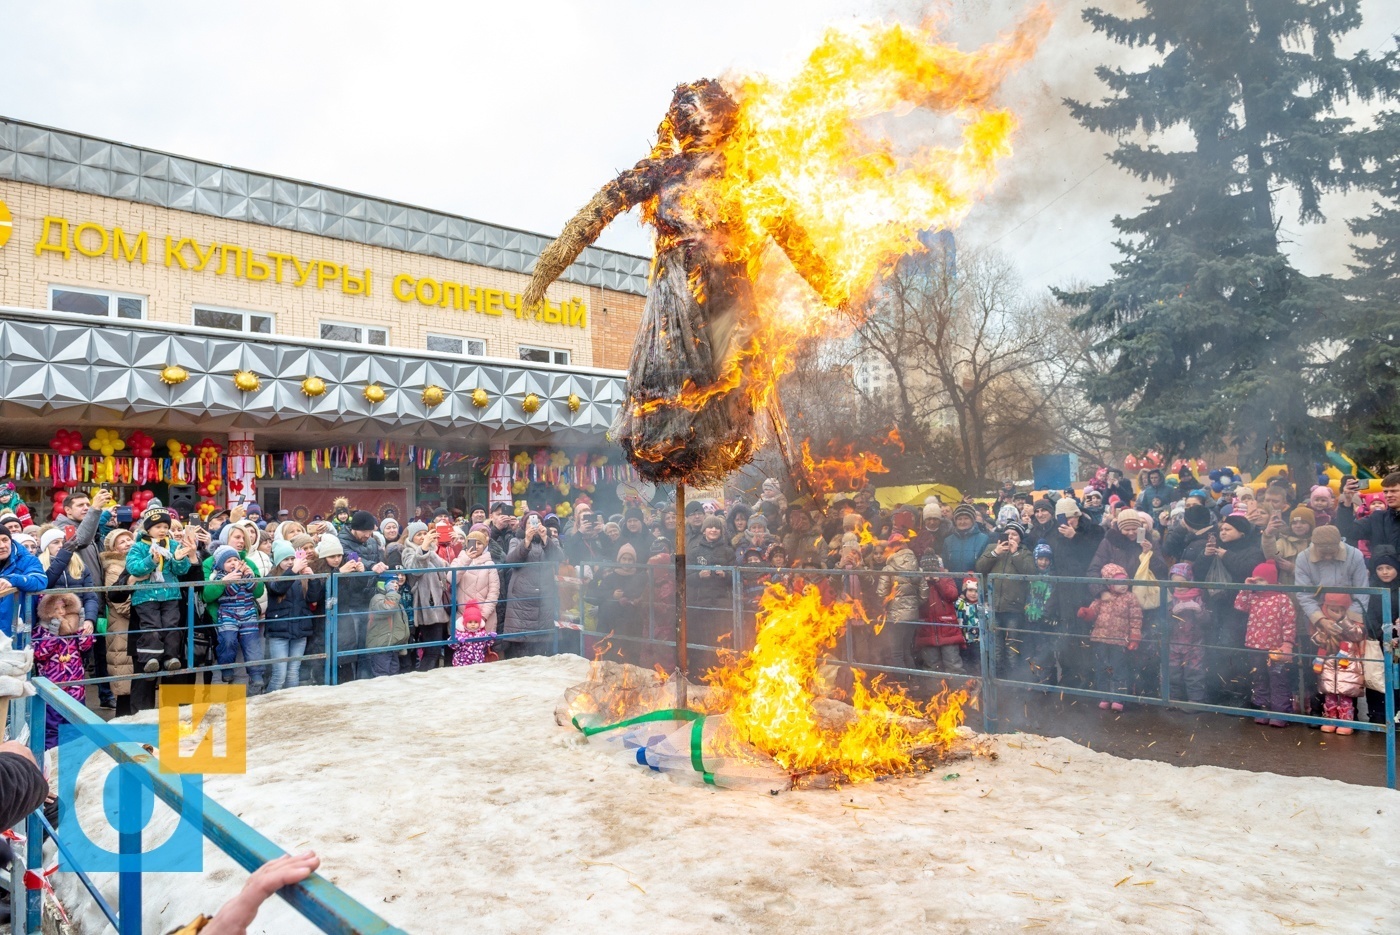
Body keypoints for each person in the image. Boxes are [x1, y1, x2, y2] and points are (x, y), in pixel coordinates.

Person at [125, 509, 196, 673]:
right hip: (146, 596)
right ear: (148, 529)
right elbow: (134, 568)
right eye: (158, 527)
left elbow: (181, 571)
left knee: (171, 626)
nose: (163, 530)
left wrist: (178, 559)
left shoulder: (172, 545)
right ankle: (151, 658)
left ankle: (171, 657)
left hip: (170, 594)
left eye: (165, 526)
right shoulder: (138, 547)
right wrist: (151, 560)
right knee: (152, 626)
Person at [1234, 561, 1296, 726]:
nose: (1256, 583)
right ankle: (1262, 709)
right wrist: (1246, 587)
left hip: (1276, 648)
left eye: (1260, 580)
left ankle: (1280, 713)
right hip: (1255, 646)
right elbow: (1239, 605)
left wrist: (1288, 643)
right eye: (1254, 579)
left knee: (1278, 680)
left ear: (1270, 580)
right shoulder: (1253, 597)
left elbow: (1289, 623)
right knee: (1259, 678)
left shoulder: (1282, 599)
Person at [33, 588, 95, 748]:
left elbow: (85, 646)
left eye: (64, 607)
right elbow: (40, 654)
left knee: (77, 728)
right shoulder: (40, 630)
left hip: (75, 687)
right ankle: (52, 761)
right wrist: (53, 634)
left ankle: (74, 761)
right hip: (53, 690)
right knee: (52, 729)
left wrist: (81, 628)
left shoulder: (71, 629)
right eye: (56, 608)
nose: (61, 612)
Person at [500, 511, 565, 658]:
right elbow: (511, 561)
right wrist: (526, 541)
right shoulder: (516, 540)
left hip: (545, 596)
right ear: (524, 526)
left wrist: (545, 538)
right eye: (529, 522)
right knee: (521, 648)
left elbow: (559, 557)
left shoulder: (550, 540)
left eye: (537, 522)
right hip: (521, 598)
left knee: (542, 646)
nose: (534, 525)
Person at [1078, 563, 1142, 710]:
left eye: (1125, 581)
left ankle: (1118, 698)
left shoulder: (1130, 598)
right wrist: (1085, 613)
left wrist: (1134, 638)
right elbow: (1093, 612)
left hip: (1119, 641)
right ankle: (1105, 696)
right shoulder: (1102, 598)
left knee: (1118, 669)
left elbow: (1136, 619)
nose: (1123, 585)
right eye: (1118, 582)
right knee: (1102, 668)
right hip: (1100, 638)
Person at [204, 545, 266, 694]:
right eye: (228, 561)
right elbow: (230, 590)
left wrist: (249, 576)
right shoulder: (219, 576)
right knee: (228, 641)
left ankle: (256, 674)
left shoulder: (245, 572)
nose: (233, 563)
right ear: (220, 565)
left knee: (252, 644)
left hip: (248, 613)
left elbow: (253, 588)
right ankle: (226, 668)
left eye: (235, 560)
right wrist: (230, 579)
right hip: (228, 614)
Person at [263, 540, 321, 692]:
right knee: (279, 675)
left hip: (300, 629)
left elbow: (312, 598)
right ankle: (269, 705)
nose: (290, 562)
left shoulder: (300, 576)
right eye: (286, 559)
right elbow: (278, 588)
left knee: (293, 672)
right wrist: (294, 571)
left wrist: (313, 580)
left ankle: (291, 706)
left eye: (292, 558)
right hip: (279, 632)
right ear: (278, 561)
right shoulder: (271, 577)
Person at [336, 511, 387, 680]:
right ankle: (353, 679)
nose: (368, 535)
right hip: (351, 599)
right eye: (364, 531)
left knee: (368, 641)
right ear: (355, 529)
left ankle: (366, 677)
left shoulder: (372, 541)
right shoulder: (342, 540)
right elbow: (351, 558)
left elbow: (378, 559)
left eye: (370, 531)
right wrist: (371, 565)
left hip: (369, 597)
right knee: (352, 642)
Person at [976, 525, 1035, 667]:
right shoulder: (992, 547)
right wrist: (995, 553)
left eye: (1014, 534)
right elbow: (979, 567)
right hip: (993, 605)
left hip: (1013, 607)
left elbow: (1030, 572)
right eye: (1007, 534)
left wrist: (1015, 554)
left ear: (1020, 538)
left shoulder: (1024, 552)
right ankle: (998, 676)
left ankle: (1012, 678)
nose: (1010, 537)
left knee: (1012, 645)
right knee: (995, 644)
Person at [400, 521, 454, 672]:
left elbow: (446, 569)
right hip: (426, 606)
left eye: (425, 534)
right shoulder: (408, 552)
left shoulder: (432, 552)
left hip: (439, 605)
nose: (423, 537)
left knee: (438, 649)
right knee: (432, 651)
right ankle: (423, 678)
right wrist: (424, 549)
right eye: (419, 535)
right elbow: (415, 570)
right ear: (411, 538)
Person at [1312, 592, 1366, 733]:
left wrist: (1344, 620)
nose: (1338, 613)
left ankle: (1346, 722)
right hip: (1329, 665)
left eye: (1342, 610)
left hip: (1347, 665)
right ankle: (1330, 720)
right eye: (1334, 610)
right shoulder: (1323, 623)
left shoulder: (1353, 623)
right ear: (1325, 608)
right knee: (1329, 696)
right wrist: (1320, 638)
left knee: (1346, 697)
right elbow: (1316, 637)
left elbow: (1358, 635)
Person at [875, 537, 926, 673]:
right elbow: (924, 594)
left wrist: (888, 605)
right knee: (906, 651)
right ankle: (914, 682)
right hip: (912, 616)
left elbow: (881, 593)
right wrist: (913, 605)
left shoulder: (889, 568)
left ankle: (904, 685)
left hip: (895, 617)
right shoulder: (917, 568)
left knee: (896, 653)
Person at [688, 515, 735, 660]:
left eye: (716, 527)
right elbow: (686, 578)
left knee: (722, 640)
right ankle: (701, 673)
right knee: (702, 641)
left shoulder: (728, 551)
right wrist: (699, 576)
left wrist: (725, 575)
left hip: (722, 605)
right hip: (701, 604)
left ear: (721, 531)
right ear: (704, 530)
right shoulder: (694, 552)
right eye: (710, 527)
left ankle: (722, 671)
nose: (713, 530)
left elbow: (737, 578)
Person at [451, 526, 499, 666]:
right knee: (462, 653)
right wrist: (466, 560)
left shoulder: (490, 564)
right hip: (463, 616)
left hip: (485, 616)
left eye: (480, 543)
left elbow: (494, 592)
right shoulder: (459, 559)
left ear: (485, 545)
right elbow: (451, 578)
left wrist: (482, 617)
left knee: (482, 653)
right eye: (473, 542)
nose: (476, 546)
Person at [1363, 553, 1399, 726]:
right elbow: (1368, 615)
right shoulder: (1371, 589)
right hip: (1377, 641)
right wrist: (1381, 634)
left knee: (1396, 676)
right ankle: (1376, 714)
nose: (1384, 572)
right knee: (1376, 675)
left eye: (1389, 568)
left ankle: (1397, 714)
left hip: (1398, 643)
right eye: (1380, 568)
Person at [1165, 562, 1208, 704]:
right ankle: (1174, 699)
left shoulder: (1199, 597)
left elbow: (1208, 622)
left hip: (1194, 644)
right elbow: (1163, 623)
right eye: (1175, 583)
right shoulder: (1171, 599)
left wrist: (1199, 612)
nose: (1179, 586)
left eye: (1182, 582)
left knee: (1194, 673)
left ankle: (1195, 700)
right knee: (1173, 673)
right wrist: (1171, 613)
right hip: (1174, 643)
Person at [914, 552, 963, 674]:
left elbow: (952, 595)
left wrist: (938, 581)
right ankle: (935, 692)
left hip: (948, 629)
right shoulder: (918, 579)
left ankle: (959, 692)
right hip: (927, 630)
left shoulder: (945, 576)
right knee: (931, 666)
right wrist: (923, 583)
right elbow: (917, 600)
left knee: (953, 665)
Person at [1336, 472, 1400, 555]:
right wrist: (1348, 501)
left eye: (1393, 491)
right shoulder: (1377, 517)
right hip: (1380, 567)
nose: (1388, 495)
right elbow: (1346, 531)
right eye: (1385, 492)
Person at [1022, 543, 1059, 683]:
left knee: (1045, 651)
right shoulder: (1031, 575)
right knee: (1031, 651)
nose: (1043, 562)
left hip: (1045, 620)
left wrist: (1046, 614)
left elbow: (1052, 597)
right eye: (1040, 559)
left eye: (1046, 559)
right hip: (1030, 617)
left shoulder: (1053, 577)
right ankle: (1033, 679)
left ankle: (1048, 681)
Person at [366, 573, 410, 676]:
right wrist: (391, 592)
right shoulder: (377, 598)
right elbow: (387, 609)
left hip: (392, 645)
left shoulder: (395, 599)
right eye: (391, 582)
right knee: (382, 675)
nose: (395, 585)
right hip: (381, 646)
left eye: (396, 582)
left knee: (394, 672)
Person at [1261, 505, 1315, 585]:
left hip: (1310, 592)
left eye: (1303, 522)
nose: (1298, 526)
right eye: (1294, 523)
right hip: (1288, 592)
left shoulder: (1316, 543)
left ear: (1311, 525)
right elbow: (1273, 556)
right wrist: (1268, 535)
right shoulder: (1284, 542)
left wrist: (1293, 569)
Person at [942, 504, 991, 576]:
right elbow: (945, 565)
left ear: (973, 520)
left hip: (974, 584)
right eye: (959, 519)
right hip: (952, 585)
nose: (962, 522)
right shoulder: (948, 541)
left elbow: (986, 565)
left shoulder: (983, 539)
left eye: (966, 518)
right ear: (955, 521)